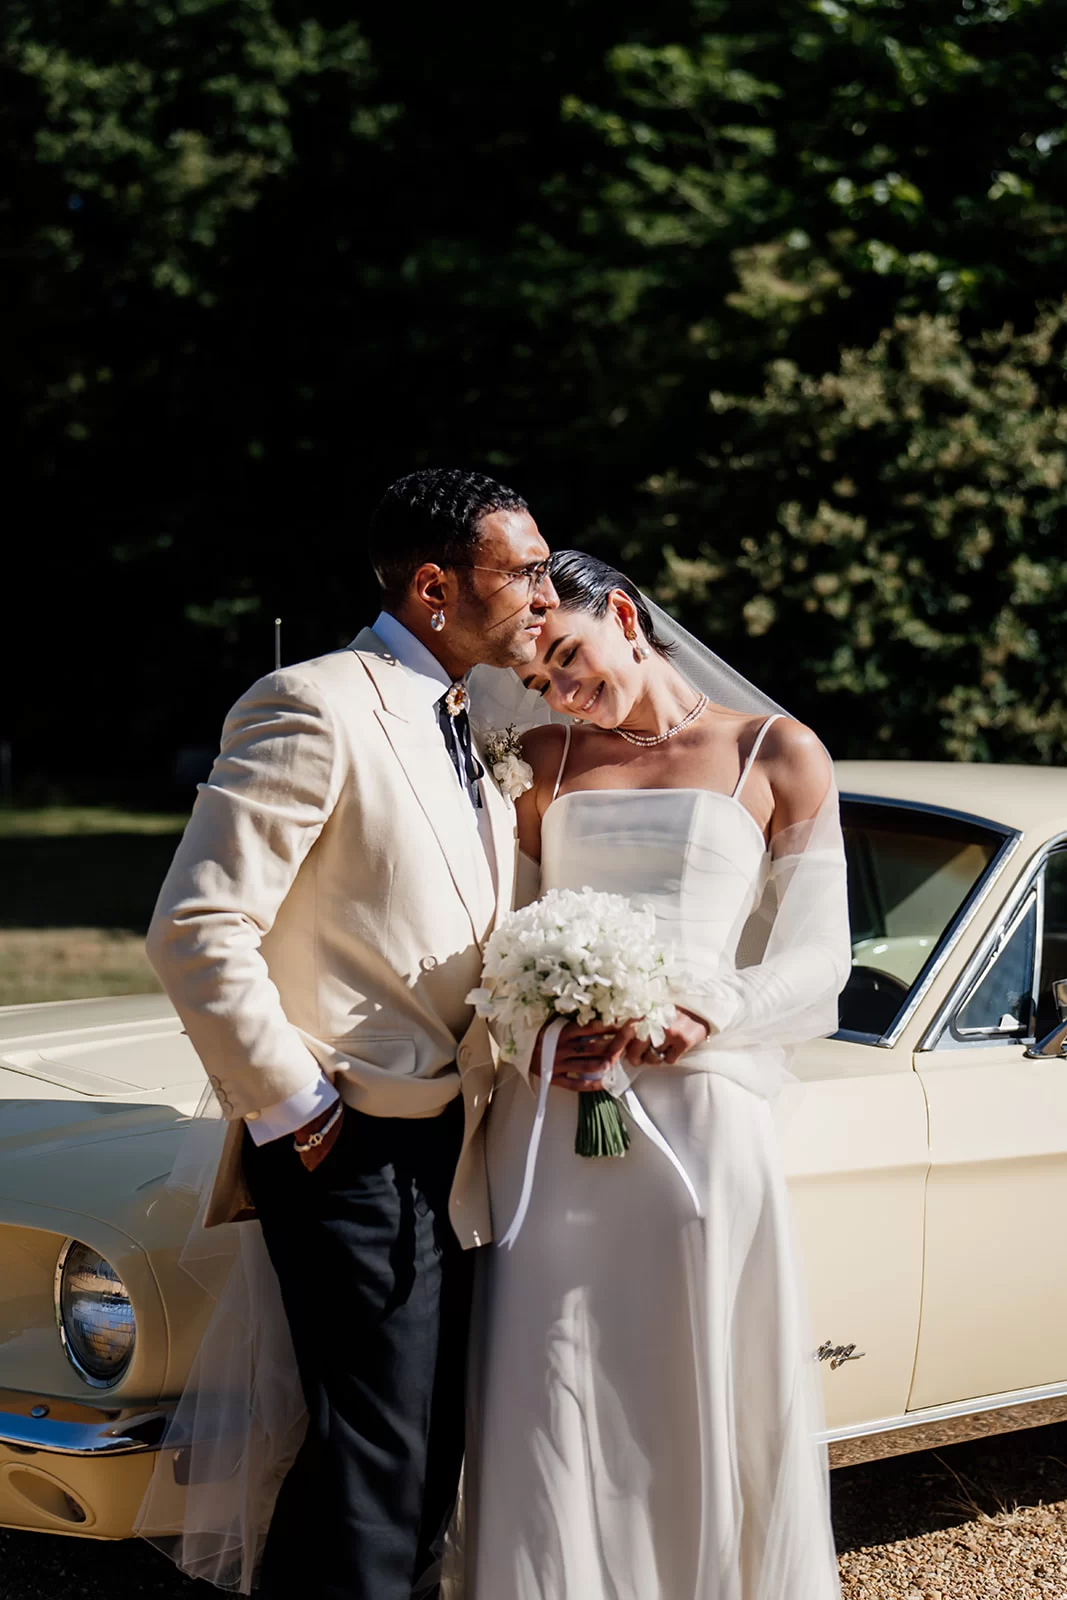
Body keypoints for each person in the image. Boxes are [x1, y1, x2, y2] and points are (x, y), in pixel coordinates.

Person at [140, 468, 559, 1599]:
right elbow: (196, 925)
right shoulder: (313, 703)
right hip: (354, 1141)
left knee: (415, 1452)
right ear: (434, 587)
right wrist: (300, 1110)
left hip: (461, 1141)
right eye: (523, 571)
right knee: (381, 1458)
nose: (544, 592)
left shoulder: (473, 716)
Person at [462, 550, 851, 1600]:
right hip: (555, 1116)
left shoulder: (775, 752)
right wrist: (538, 1040)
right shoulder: (538, 762)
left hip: (704, 1115)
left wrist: (705, 1010)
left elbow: (822, 956)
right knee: (551, 1375)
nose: (559, 692)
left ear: (625, 617)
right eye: (537, 679)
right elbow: (489, 943)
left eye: (568, 657)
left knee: (690, 1371)